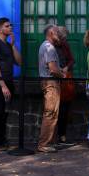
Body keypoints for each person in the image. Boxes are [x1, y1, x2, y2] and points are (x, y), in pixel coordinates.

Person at [0, 17, 22, 149]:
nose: (11, 28)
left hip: (9, 80)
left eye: (11, 26)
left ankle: (1, 140)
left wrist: (13, 45)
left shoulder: (8, 45)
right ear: (0, 29)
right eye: (7, 26)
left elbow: (19, 62)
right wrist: (3, 86)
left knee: (4, 112)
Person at [37, 25, 65, 153]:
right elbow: (53, 69)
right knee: (51, 113)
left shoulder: (46, 46)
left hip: (47, 82)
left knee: (51, 113)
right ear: (51, 32)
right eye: (57, 32)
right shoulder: (49, 47)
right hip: (51, 83)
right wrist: (62, 74)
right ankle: (44, 144)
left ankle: (49, 142)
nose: (60, 34)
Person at [56, 26, 76, 145]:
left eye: (65, 38)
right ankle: (55, 136)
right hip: (54, 79)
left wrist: (66, 68)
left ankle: (62, 135)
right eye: (62, 37)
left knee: (65, 108)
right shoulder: (49, 46)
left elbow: (72, 60)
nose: (63, 39)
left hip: (65, 79)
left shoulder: (65, 45)